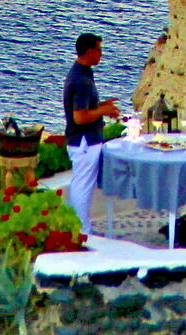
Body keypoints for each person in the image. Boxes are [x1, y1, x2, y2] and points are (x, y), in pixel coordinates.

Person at [62, 32, 119, 233]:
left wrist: (102, 105)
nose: (101, 54)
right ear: (89, 51)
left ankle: (78, 226)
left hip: (83, 140)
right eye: (99, 49)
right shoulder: (81, 80)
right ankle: (81, 230)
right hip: (84, 141)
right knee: (83, 186)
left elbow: (85, 107)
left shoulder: (83, 73)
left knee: (81, 183)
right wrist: (103, 111)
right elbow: (79, 116)